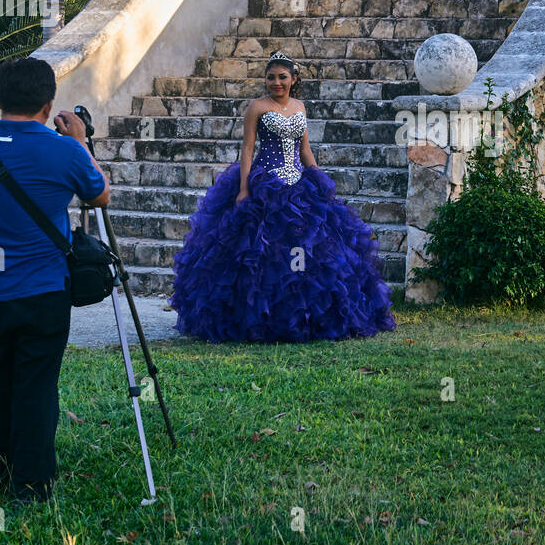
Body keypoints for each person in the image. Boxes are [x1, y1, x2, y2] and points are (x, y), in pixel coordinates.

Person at [0, 57, 109, 503]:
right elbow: (99, 194)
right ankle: (32, 485)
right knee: (36, 388)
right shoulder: (63, 151)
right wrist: (79, 142)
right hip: (42, 292)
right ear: (49, 102)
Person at [170, 52, 396, 342]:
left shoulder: (300, 107)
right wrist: (244, 188)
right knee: (262, 251)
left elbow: (304, 150)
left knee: (310, 248)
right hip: (266, 184)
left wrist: (319, 179)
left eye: (282, 77)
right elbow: (248, 149)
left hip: (299, 184)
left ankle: (308, 318)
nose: (276, 82)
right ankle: (259, 319)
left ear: (293, 79)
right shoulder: (257, 107)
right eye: (271, 77)